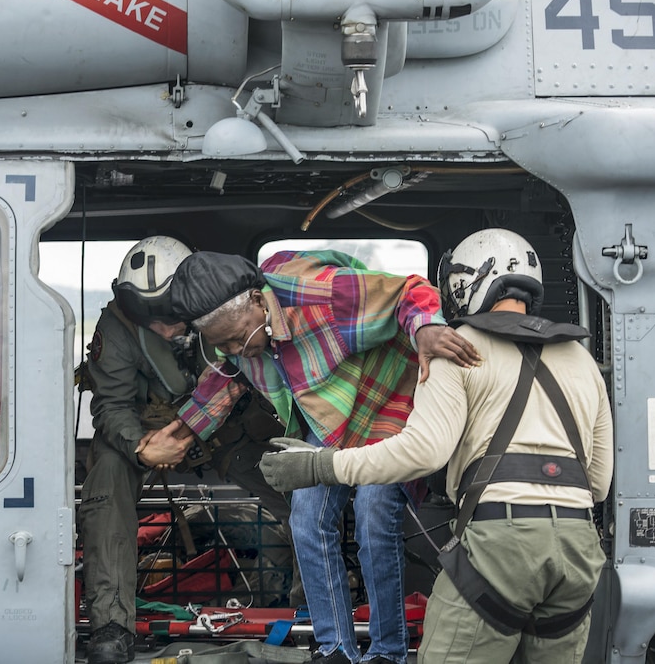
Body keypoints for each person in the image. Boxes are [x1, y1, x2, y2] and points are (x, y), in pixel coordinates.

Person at [259, 229, 614, 664]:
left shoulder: (458, 349)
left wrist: (321, 467)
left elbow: (422, 453)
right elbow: (597, 483)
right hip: (578, 555)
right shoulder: (581, 359)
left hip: (501, 549)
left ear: (462, 287)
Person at [169, 249, 480, 664]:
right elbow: (224, 378)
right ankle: (335, 647)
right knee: (306, 515)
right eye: (220, 343)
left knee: (373, 511)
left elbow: (410, 291)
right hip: (332, 412)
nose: (233, 349)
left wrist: (424, 328)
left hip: (388, 399)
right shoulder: (239, 342)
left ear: (259, 302)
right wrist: (182, 431)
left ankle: (388, 652)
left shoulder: (320, 295)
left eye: (235, 337)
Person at [78, 236, 298, 664]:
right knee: (105, 480)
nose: (162, 328)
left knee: (300, 480)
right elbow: (112, 404)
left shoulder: (227, 311)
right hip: (148, 435)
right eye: (149, 317)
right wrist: (142, 449)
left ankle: (318, 607)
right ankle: (110, 625)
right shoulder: (118, 328)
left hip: (227, 431)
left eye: (168, 314)